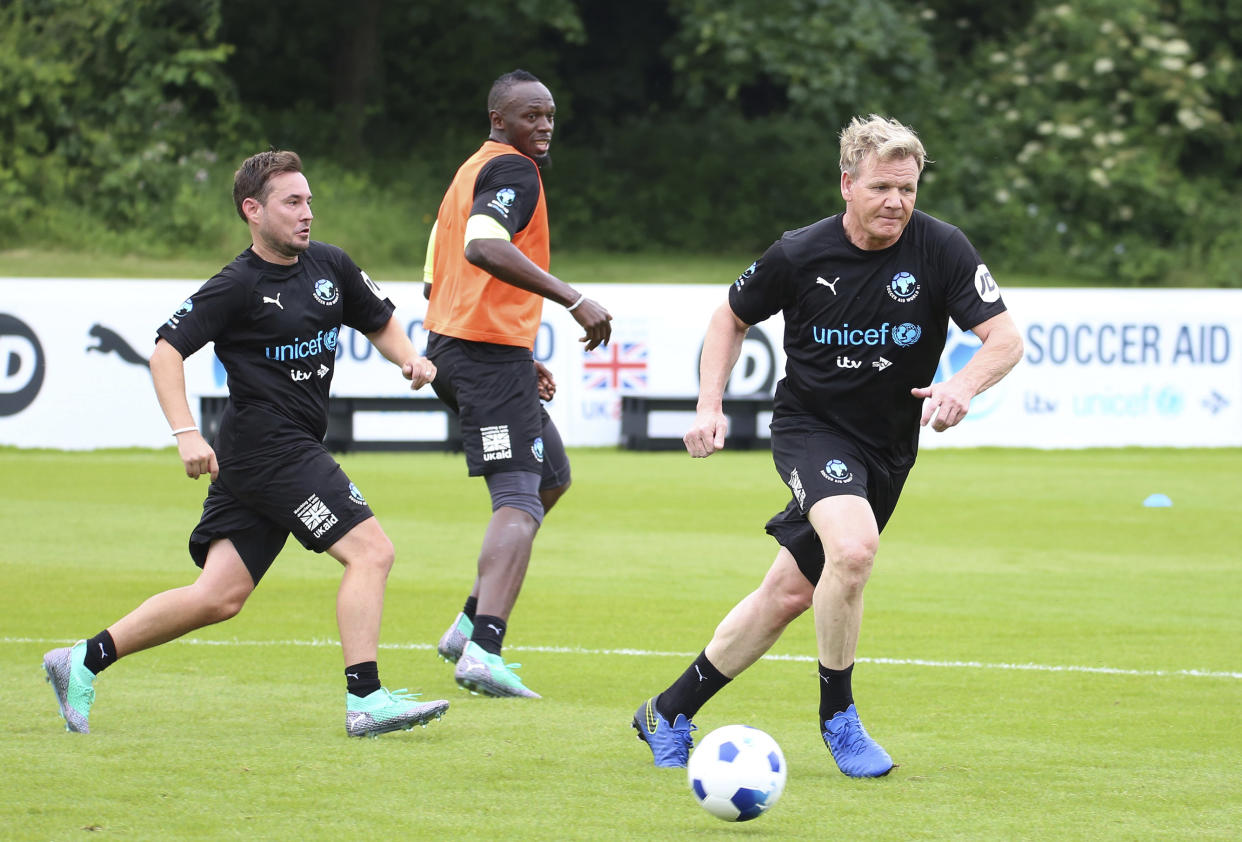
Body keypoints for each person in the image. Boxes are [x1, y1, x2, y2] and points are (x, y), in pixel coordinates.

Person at [632, 115, 1024, 777]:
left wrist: (962, 385)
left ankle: (668, 711)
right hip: (812, 431)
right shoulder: (799, 253)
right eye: (881, 187)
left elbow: (1006, 339)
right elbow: (730, 315)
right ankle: (838, 718)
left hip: (889, 451)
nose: (897, 202)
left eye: (907, 187)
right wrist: (709, 404)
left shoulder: (943, 248)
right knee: (855, 548)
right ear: (847, 184)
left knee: (787, 595)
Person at [42, 150, 450, 739]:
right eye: (292, 202)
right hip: (271, 450)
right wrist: (185, 432)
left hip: (264, 455)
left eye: (309, 200)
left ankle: (82, 658)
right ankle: (366, 698)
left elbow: (378, 319)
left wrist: (410, 358)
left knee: (218, 595)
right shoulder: (236, 286)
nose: (307, 213)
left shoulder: (331, 266)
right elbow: (165, 352)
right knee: (372, 552)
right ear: (252, 211)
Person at [421, 69, 611, 699]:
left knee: (551, 476)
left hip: (470, 348)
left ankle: (468, 624)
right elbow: (482, 247)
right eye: (531, 115)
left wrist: (512, 349)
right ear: (499, 119)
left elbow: (437, 279)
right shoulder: (512, 171)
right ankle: (484, 649)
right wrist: (572, 299)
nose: (545, 125)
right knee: (521, 501)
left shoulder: (468, 171)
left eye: (550, 114)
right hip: (478, 356)